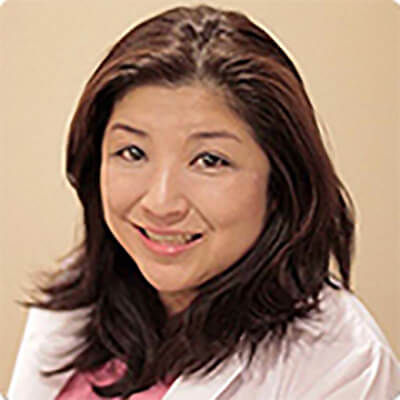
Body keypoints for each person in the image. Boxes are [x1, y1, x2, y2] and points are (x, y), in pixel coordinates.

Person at [7, 4, 400, 400]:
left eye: (210, 161)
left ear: (281, 182)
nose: (160, 203)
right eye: (132, 152)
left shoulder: (345, 367)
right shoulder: (81, 295)